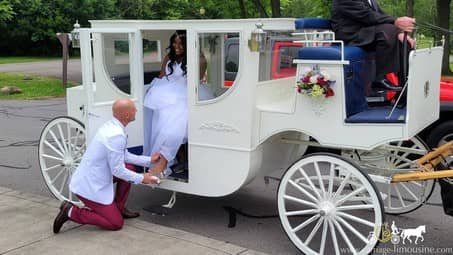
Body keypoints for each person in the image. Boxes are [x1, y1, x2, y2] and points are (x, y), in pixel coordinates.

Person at [53, 99, 160, 233]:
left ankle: (118, 209)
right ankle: (70, 211)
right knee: (115, 223)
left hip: (95, 175)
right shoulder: (116, 135)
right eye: (134, 109)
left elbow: (124, 156)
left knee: (130, 168)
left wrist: (150, 160)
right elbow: (118, 170)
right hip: (90, 186)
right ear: (126, 115)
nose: (136, 111)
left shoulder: (112, 126)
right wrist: (142, 178)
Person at [331, 0, 416, 87]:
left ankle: (405, 84)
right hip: (350, 36)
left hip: (366, 33)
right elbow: (367, 15)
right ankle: (379, 78)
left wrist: (399, 33)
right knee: (387, 31)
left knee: (404, 42)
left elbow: (381, 15)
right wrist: (396, 21)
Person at [143, 30, 190, 177]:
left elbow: (197, 78)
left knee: (172, 130)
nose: (177, 46)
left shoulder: (195, 57)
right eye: (174, 43)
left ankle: (162, 163)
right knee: (162, 126)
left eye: (181, 43)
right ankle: (168, 161)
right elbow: (162, 76)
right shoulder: (169, 57)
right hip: (165, 96)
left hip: (185, 95)